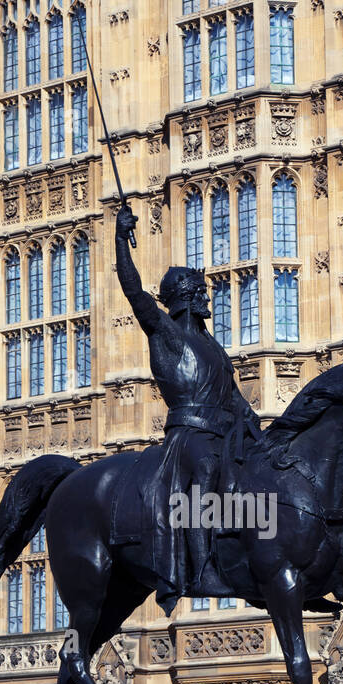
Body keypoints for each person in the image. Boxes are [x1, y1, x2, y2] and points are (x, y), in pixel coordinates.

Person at [114, 203, 264, 615]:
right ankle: (200, 571)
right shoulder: (166, 333)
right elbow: (134, 291)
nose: (205, 297)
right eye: (199, 292)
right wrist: (120, 238)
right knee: (206, 468)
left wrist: (267, 438)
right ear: (182, 298)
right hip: (190, 436)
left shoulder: (212, 347)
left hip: (223, 430)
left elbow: (234, 399)